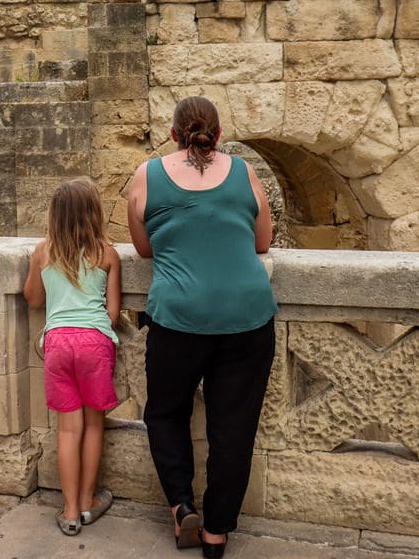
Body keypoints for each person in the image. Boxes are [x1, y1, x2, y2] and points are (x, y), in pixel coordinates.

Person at [126, 96, 277, 559]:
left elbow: (144, 248)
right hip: (247, 318)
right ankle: (216, 533)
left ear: (173, 134)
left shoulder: (145, 175)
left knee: (165, 413)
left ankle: (181, 506)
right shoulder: (244, 172)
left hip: (178, 320)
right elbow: (264, 241)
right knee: (233, 427)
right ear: (219, 132)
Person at [23, 177, 122, 536]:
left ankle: (67, 512)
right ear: (94, 213)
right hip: (95, 342)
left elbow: (33, 298)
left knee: (68, 429)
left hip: (58, 344)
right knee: (94, 425)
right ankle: (87, 503)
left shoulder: (42, 252)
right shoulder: (106, 254)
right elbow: (112, 313)